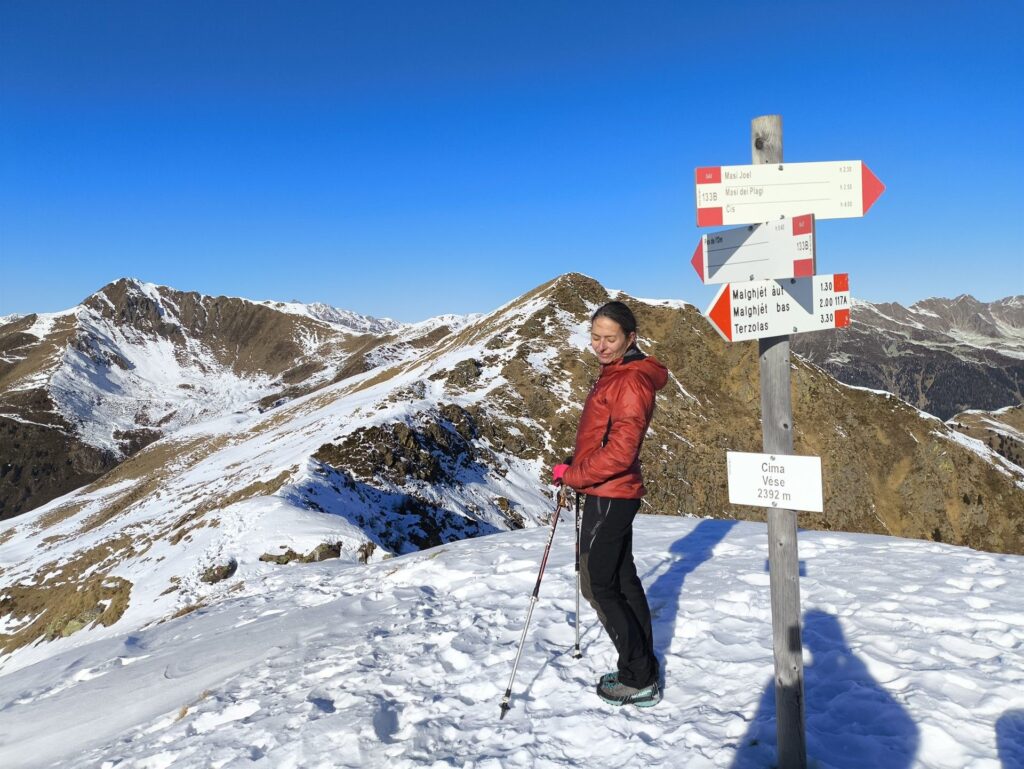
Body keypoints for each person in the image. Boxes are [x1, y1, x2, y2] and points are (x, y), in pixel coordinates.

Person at [552, 300, 668, 708]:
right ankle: (644, 668)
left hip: (609, 493)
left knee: (598, 585)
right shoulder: (617, 372)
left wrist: (575, 476)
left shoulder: (630, 381)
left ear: (630, 338)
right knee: (621, 581)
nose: (600, 345)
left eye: (610, 338)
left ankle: (638, 677)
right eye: (596, 337)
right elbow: (604, 438)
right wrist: (576, 463)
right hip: (610, 491)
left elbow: (620, 452)